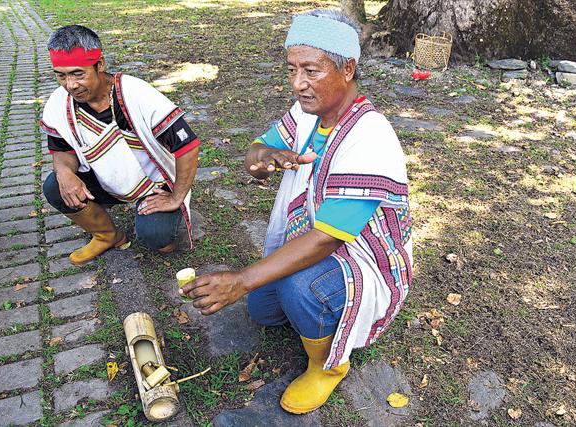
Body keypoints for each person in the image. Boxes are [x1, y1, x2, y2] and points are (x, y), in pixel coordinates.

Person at [181, 10, 412, 414]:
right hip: (321, 241)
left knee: (299, 288)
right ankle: (314, 317)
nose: (298, 84)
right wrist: (263, 157)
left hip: (364, 258)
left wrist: (240, 280)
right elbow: (258, 146)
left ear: (348, 68)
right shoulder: (309, 113)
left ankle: (327, 366)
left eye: (311, 70)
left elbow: (327, 238)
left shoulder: (370, 136)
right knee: (263, 312)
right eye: (291, 69)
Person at [40, 25, 200, 265]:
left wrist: (176, 196)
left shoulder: (136, 94)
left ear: (100, 64)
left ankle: (163, 221)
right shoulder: (59, 102)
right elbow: (62, 148)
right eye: (61, 75)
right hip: (104, 180)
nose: (70, 84)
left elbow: (188, 145)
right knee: (55, 185)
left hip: (153, 184)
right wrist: (64, 171)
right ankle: (106, 234)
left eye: (78, 73)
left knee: (158, 239)